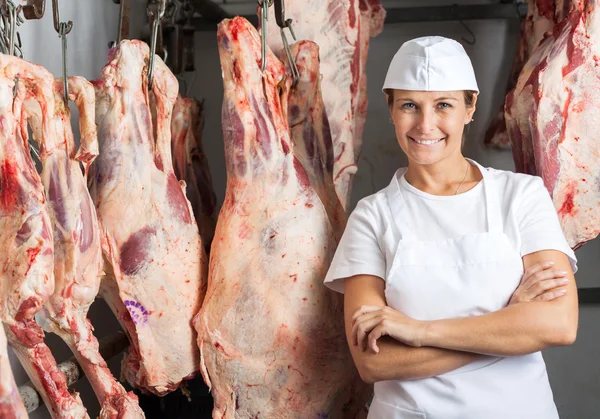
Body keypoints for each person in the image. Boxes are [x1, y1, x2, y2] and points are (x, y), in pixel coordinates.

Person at [324, 36, 578, 419]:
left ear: (469, 108)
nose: (426, 124)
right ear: (391, 109)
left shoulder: (521, 195)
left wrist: (418, 331)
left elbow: (558, 324)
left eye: (444, 105)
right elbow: (374, 363)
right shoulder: (370, 218)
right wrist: (508, 325)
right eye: (409, 105)